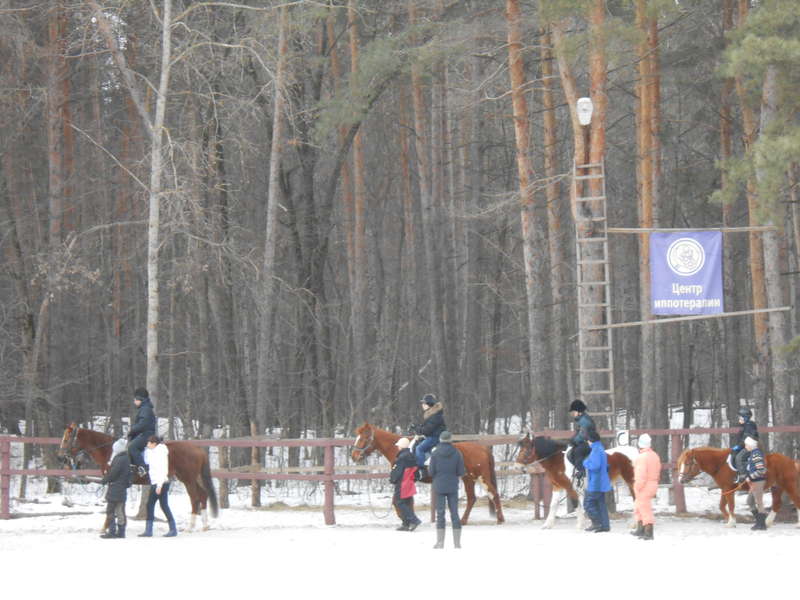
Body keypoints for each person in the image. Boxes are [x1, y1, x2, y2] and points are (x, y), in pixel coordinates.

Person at [430, 430, 464, 549]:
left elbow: (431, 471)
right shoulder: (457, 453)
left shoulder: (435, 453)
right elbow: (461, 471)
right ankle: (457, 543)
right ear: (450, 440)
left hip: (438, 486)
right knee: (454, 513)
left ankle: (440, 543)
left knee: (440, 514)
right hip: (452, 486)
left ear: (440, 440)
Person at [139, 435, 177, 538]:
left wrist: (159, 486)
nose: (147, 445)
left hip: (160, 483)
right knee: (158, 505)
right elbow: (147, 461)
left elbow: (162, 470)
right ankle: (172, 529)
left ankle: (150, 530)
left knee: (156, 505)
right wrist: (145, 451)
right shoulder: (152, 452)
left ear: (154, 444)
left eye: (149, 443)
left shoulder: (160, 454)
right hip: (156, 483)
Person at [99, 438, 132, 539]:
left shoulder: (119, 459)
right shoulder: (126, 458)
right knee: (120, 511)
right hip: (121, 489)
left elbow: (114, 473)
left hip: (115, 488)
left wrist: (105, 479)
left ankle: (112, 531)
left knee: (110, 511)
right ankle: (121, 532)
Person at [631, 433, 661, 540]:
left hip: (644, 485)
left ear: (640, 444)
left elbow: (640, 475)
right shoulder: (654, 455)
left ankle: (648, 531)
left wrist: (637, 487)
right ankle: (641, 529)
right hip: (653, 483)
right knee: (639, 506)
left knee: (644, 508)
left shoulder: (642, 457)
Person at [389, 437, 422, 531]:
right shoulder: (411, 456)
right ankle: (406, 524)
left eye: (398, 445)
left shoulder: (401, 458)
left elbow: (397, 472)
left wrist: (392, 480)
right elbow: (416, 472)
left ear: (401, 446)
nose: (397, 447)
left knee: (398, 502)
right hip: (409, 483)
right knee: (406, 503)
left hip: (402, 483)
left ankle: (414, 520)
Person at [582, 429, 611, 533]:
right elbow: (605, 465)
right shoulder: (600, 448)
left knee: (588, 503)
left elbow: (595, 466)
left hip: (596, 482)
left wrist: (585, 463)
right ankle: (605, 525)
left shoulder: (595, 450)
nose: (587, 442)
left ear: (591, 440)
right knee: (600, 503)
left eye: (588, 440)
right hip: (601, 481)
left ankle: (596, 523)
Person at [413, 393, 445, 479]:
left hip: (436, 438)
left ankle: (422, 470)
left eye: (424, 403)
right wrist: (416, 427)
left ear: (429, 404)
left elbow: (427, 430)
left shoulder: (435, 416)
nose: (422, 405)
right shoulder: (431, 414)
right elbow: (425, 428)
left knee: (419, 448)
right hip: (431, 436)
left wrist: (416, 429)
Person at [566, 399, 597, 485]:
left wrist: (575, 441)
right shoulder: (580, 420)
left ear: (579, 411)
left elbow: (583, 434)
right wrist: (571, 440)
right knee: (572, 451)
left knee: (577, 451)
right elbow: (577, 433)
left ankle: (582, 471)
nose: (573, 413)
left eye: (574, 411)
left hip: (590, 442)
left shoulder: (585, 420)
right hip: (585, 441)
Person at [128, 387, 156, 478]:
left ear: (140, 399)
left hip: (147, 435)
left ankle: (142, 467)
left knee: (132, 447)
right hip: (144, 433)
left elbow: (143, 423)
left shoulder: (145, 409)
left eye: (135, 399)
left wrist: (132, 430)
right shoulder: (144, 408)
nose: (134, 402)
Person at [743, 436, 768, 531]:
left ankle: (762, 524)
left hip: (758, 481)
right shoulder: (753, 453)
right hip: (754, 481)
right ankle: (759, 521)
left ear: (751, 445)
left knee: (759, 502)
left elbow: (761, 470)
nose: (745, 446)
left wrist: (750, 477)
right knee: (749, 501)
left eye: (746, 444)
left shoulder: (756, 454)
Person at [730, 406, 759, 483]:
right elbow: (740, 438)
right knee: (733, 455)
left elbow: (747, 439)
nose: (739, 418)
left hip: (750, 447)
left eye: (740, 417)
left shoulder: (750, 426)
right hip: (745, 446)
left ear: (745, 418)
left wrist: (739, 446)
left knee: (739, 457)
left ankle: (744, 476)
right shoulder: (744, 425)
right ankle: (737, 474)